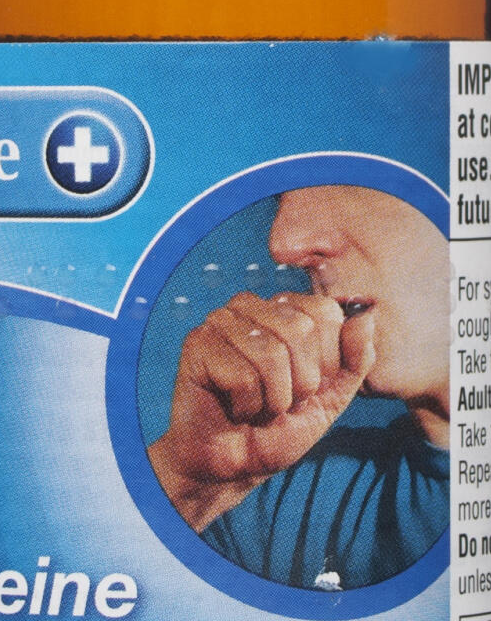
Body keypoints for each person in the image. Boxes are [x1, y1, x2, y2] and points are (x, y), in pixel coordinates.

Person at [147, 186, 450, 590]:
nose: (283, 243)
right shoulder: (282, 500)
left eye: (347, 180)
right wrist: (189, 481)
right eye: (281, 199)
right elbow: (103, 597)